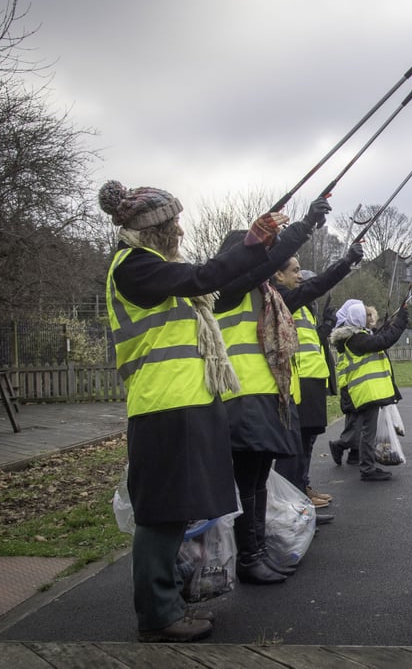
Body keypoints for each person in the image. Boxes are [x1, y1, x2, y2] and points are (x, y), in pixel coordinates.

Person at [101, 179, 284, 642]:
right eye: (173, 222)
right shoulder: (135, 266)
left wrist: (259, 246)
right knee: (161, 513)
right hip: (166, 405)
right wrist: (247, 245)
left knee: (176, 509)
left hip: (187, 402)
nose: (180, 229)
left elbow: (217, 281)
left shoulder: (155, 267)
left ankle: (169, 603)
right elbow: (204, 278)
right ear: (154, 227)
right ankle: (159, 616)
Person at [212, 198, 330, 586]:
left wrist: (347, 262)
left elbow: (311, 287)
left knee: (259, 478)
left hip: (267, 394)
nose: (262, 258)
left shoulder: (265, 294)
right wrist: (306, 224)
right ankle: (248, 556)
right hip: (243, 395)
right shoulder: (229, 288)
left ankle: (257, 550)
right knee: (248, 480)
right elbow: (265, 260)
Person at [270, 244, 364, 507]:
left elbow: (315, 341)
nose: (300, 276)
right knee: (296, 443)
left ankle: (302, 488)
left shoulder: (303, 307)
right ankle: (293, 499)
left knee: (307, 440)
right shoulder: (282, 298)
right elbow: (315, 286)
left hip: (312, 379)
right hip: (297, 382)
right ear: (278, 275)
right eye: (295, 271)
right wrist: (345, 262)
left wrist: (325, 325)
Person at [331, 298, 408, 481]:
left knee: (366, 430)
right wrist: (401, 321)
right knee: (368, 432)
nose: (369, 317)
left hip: (365, 391)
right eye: (365, 315)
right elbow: (383, 341)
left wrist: (391, 325)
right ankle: (367, 468)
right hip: (366, 392)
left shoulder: (355, 337)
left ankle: (366, 464)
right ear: (358, 318)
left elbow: (379, 337)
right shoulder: (357, 339)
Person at [329, 304, 378, 466]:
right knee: (355, 427)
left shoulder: (361, 335)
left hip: (358, 384)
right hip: (352, 386)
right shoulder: (353, 338)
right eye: (367, 315)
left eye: (371, 315)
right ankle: (339, 445)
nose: (370, 319)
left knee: (360, 424)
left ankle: (354, 455)